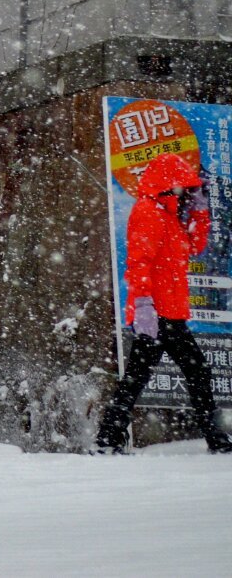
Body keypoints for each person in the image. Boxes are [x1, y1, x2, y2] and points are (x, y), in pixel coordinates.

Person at [96, 151, 232, 453]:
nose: (188, 190)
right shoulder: (148, 211)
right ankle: (215, 439)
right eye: (185, 186)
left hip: (170, 313)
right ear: (168, 184)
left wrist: (199, 210)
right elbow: (138, 262)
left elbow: (196, 246)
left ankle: (107, 439)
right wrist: (144, 305)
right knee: (190, 373)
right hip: (157, 314)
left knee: (139, 378)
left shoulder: (170, 216)